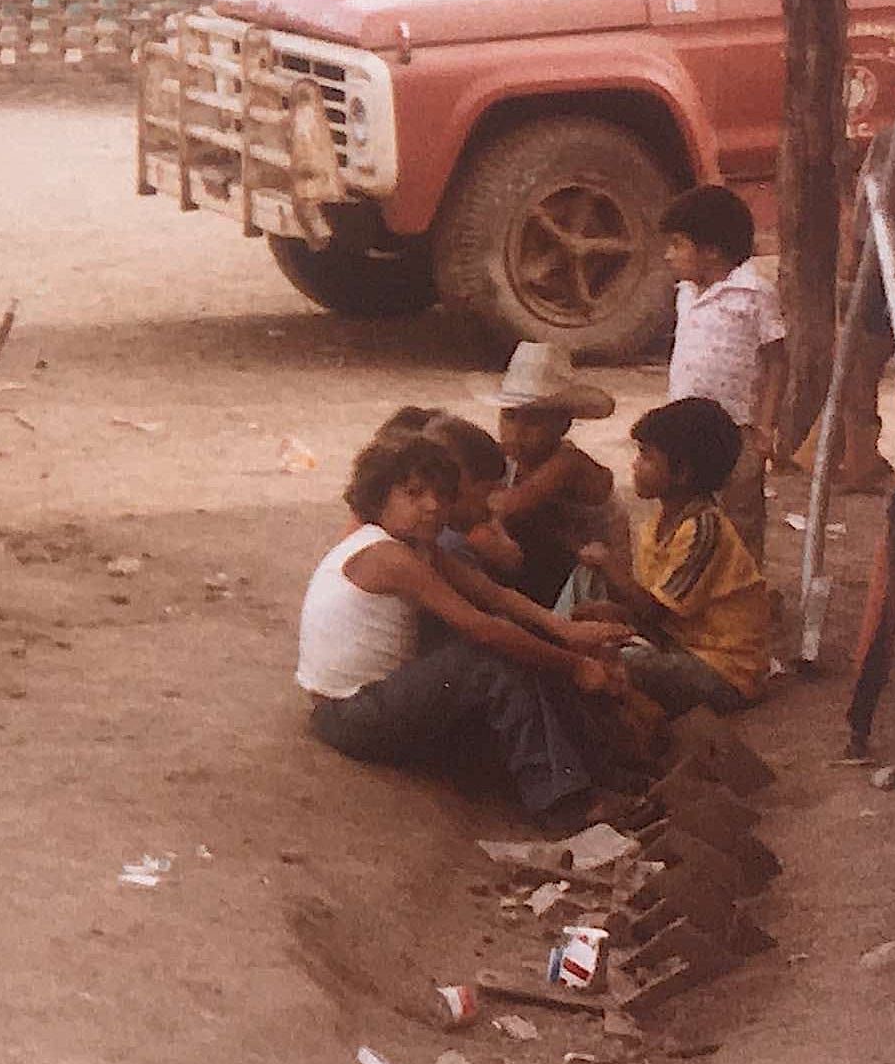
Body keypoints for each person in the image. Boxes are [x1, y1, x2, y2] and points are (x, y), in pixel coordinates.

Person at [299, 430, 624, 828]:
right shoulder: (387, 556)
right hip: (348, 714)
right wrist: (574, 665)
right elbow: (482, 628)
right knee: (488, 656)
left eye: (440, 494)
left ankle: (596, 772)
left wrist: (562, 630)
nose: (432, 506)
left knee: (521, 647)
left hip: (379, 700)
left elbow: (494, 595)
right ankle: (565, 806)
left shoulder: (418, 548)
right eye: (414, 494)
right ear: (380, 496)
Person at [573, 398, 771, 718]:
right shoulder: (657, 527)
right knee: (592, 637)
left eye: (647, 456)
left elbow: (655, 611)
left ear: (682, 472)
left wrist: (609, 564)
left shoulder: (704, 530)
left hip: (724, 669)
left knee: (610, 664)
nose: (636, 465)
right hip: (680, 646)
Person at [659, 185, 785, 561]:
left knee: (739, 516)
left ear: (711, 250)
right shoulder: (685, 292)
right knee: (681, 509)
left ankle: (743, 592)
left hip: (734, 427)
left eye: (677, 245)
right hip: (683, 425)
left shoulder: (753, 294)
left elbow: (776, 359)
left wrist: (765, 425)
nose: (669, 255)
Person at [469, 344, 621, 608]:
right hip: (548, 574)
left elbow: (509, 506)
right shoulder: (507, 459)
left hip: (592, 585)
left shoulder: (569, 463)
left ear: (563, 424)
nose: (517, 431)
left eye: (533, 421)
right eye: (510, 417)